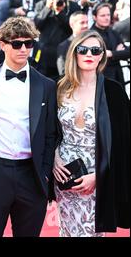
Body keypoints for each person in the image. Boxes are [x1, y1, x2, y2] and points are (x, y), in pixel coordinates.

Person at [0, 17, 58, 237]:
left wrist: (45, 172)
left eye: (29, 44)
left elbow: (50, 132)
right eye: (17, 44)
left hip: (32, 176)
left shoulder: (47, 86)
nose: (23, 49)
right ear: (2, 44)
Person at [52, 30, 130, 236]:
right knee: (67, 229)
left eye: (96, 50)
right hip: (64, 173)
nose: (89, 54)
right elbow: (48, 131)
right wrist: (54, 158)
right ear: (74, 53)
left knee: (91, 230)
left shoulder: (114, 92)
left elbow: (124, 143)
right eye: (83, 49)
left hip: (98, 173)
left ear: (102, 55)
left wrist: (99, 175)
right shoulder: (59, 88)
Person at [56, 11, 89, 75]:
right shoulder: (64, 46)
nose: (86, 25)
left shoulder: (93, 42)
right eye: (82, 23)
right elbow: (63, 72)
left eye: (87, 22)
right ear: (72, 25)